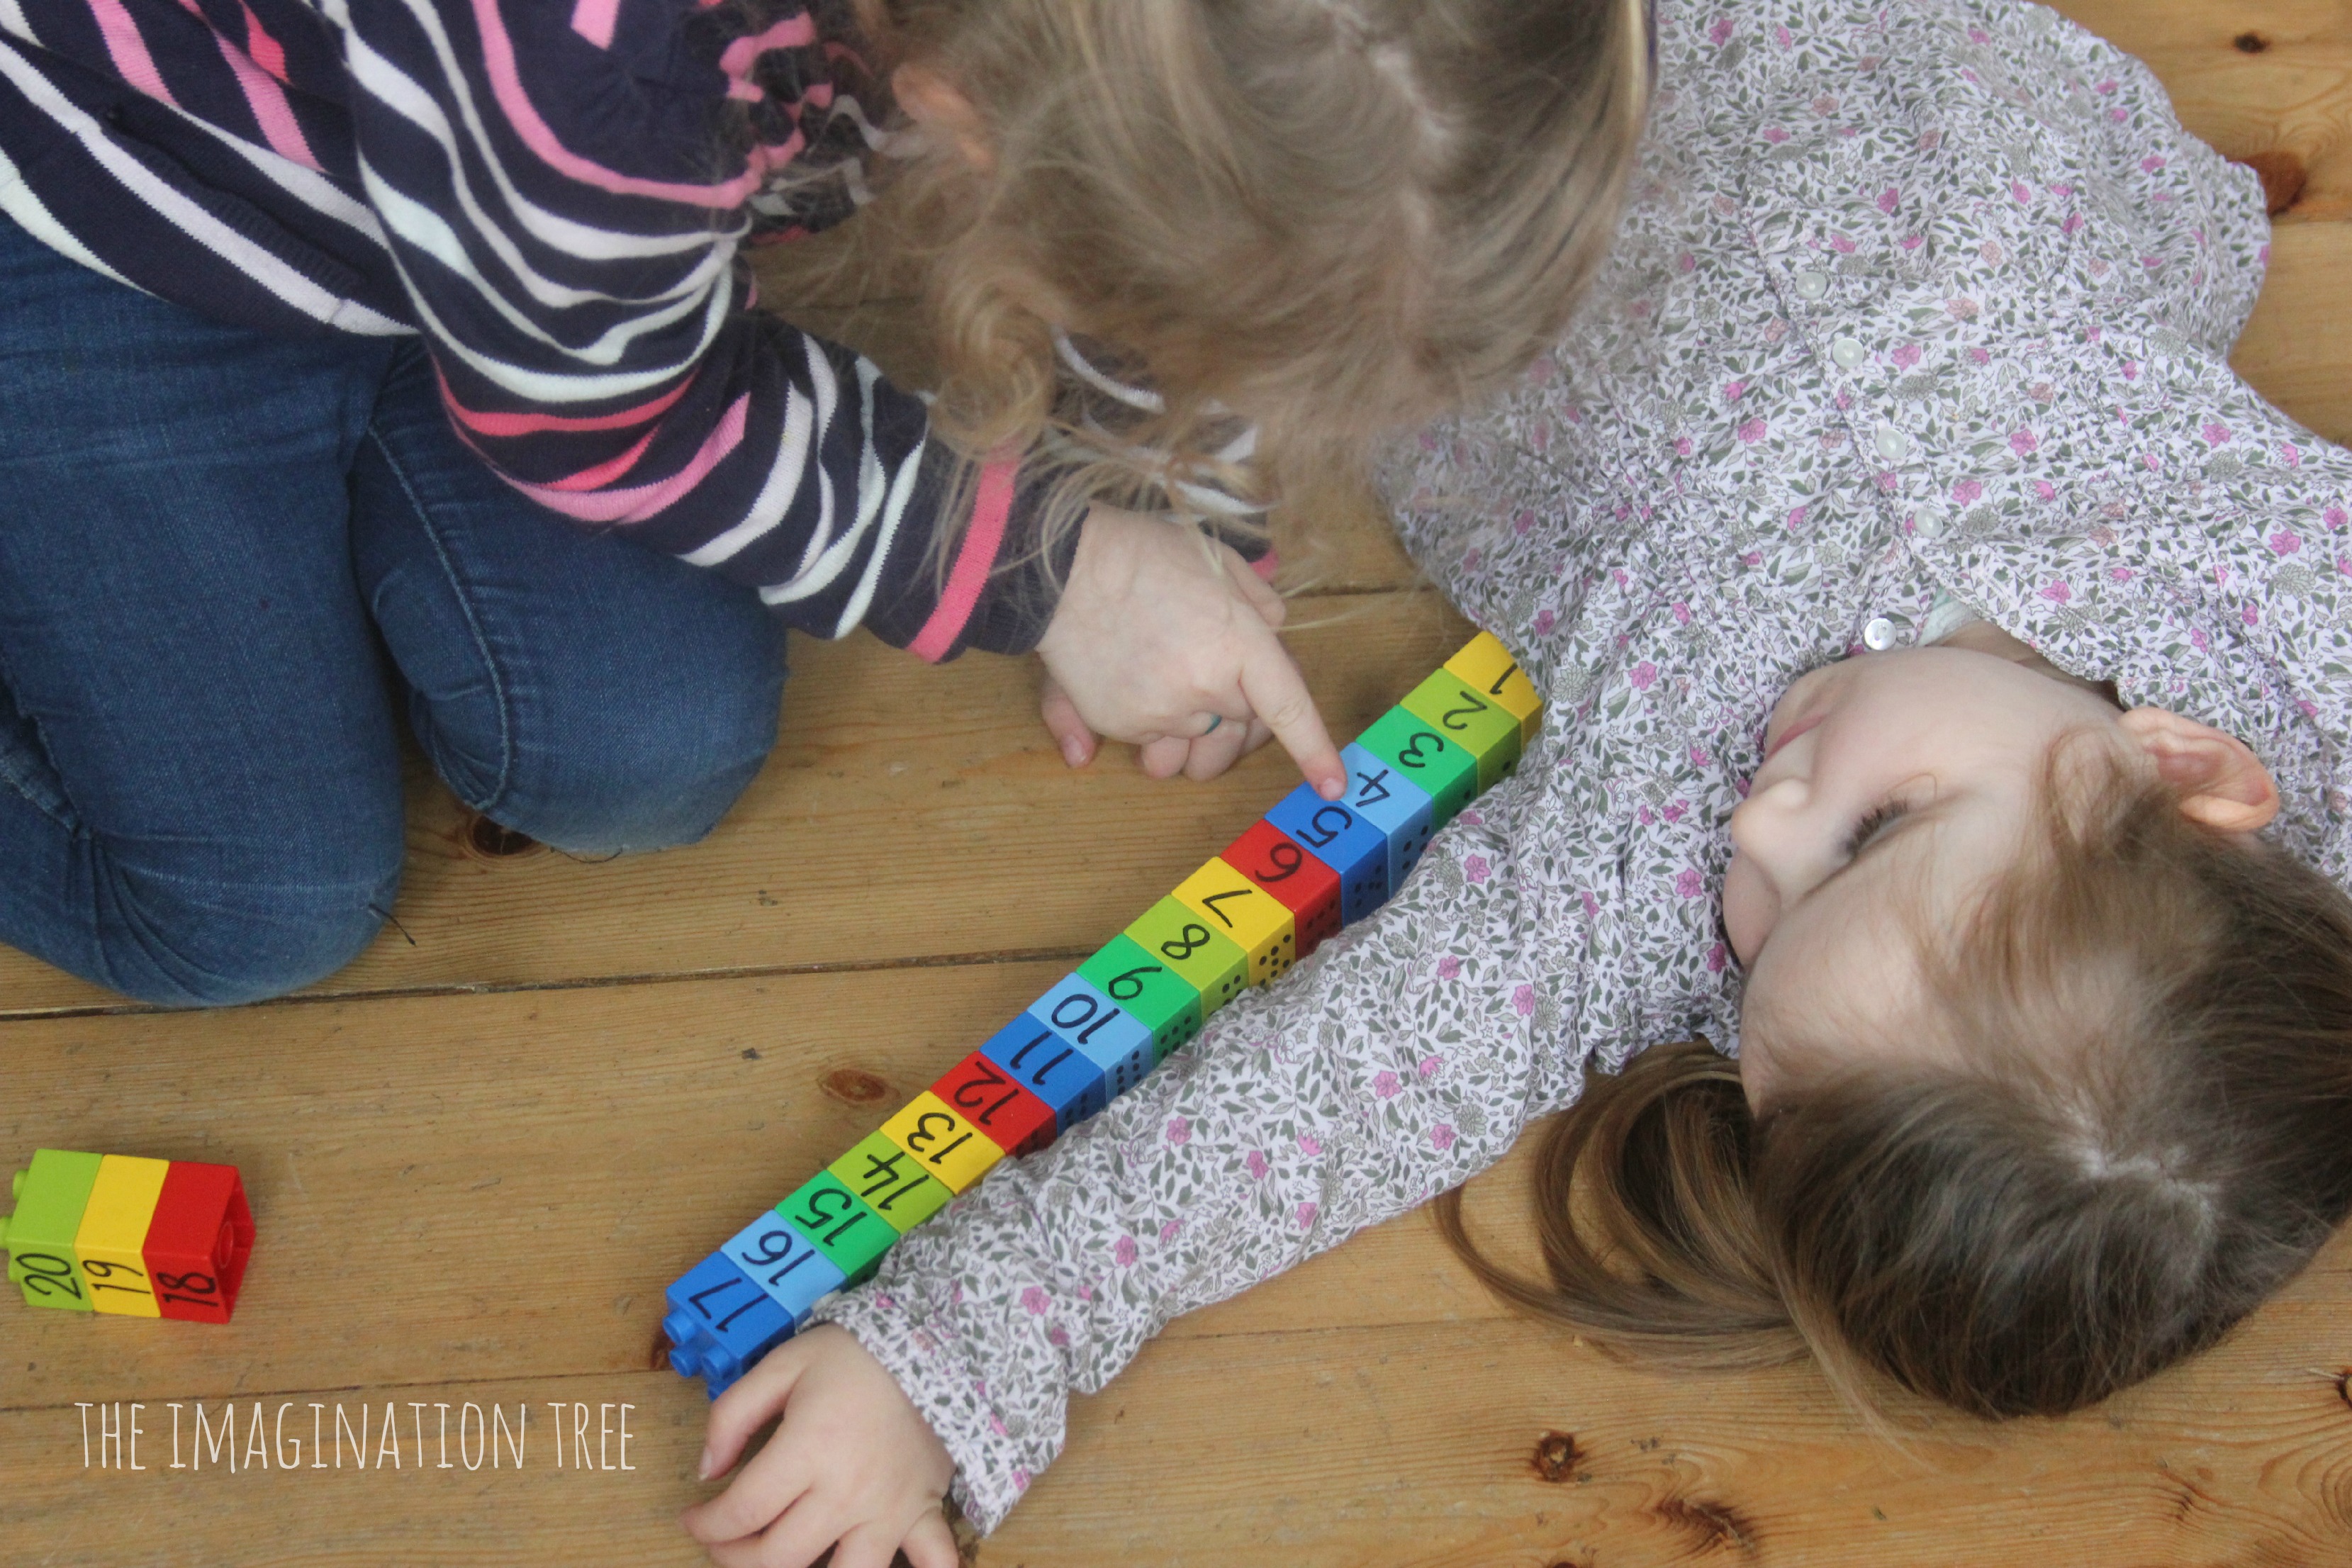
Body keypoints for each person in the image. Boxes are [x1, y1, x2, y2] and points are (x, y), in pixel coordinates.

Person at [673, 1, 2352, 1564]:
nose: (1761, 823)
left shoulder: (1631, 879)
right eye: (1877, 831)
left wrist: (965, 1340)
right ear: (2187, 769)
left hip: (1404, 171)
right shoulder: (2290, 609)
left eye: (1761, 936)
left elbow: (1341, 1088)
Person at [0, 0, 1644, 1004]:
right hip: (124, 193)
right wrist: (1050, 564)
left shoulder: (1125, 48)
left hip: (511, 246)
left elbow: (1219, 141)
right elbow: (606, 416)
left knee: (649, 749)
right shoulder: (605, 79)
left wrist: (1183, 511)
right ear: (963, 125)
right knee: (255, 904)